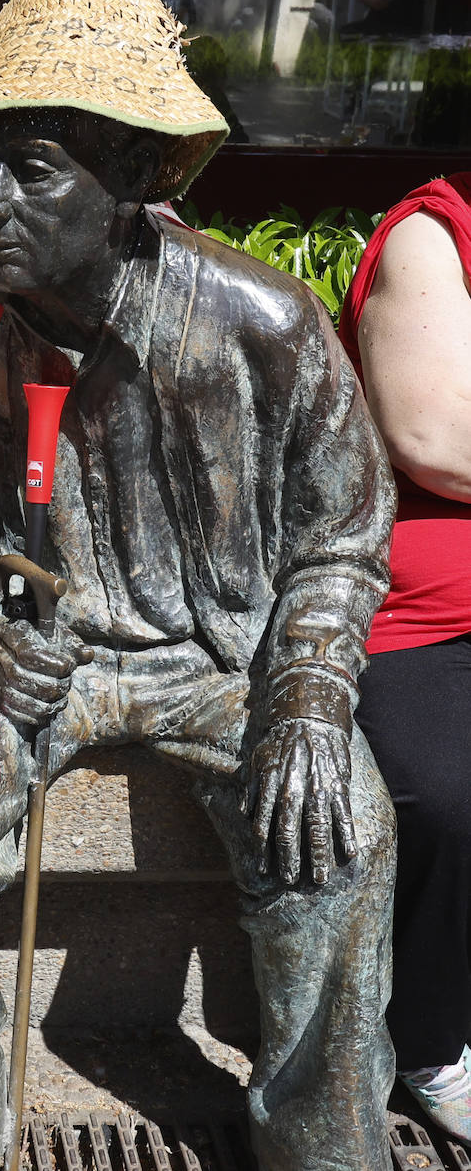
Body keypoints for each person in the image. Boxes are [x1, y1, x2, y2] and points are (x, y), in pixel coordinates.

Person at [0, 0, 398, 1171]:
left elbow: (343, 533)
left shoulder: (260, 326)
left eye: (35, 171)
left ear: (127, 180)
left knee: (340, 830)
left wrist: (311, 701)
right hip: (33, 664)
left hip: (217, 662)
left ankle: (323, 1145)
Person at [338, 174, 471, 1143]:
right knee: (445, 794)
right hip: (431, 599)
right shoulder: (432, 233)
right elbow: (431, 438)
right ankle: (430, 1038)